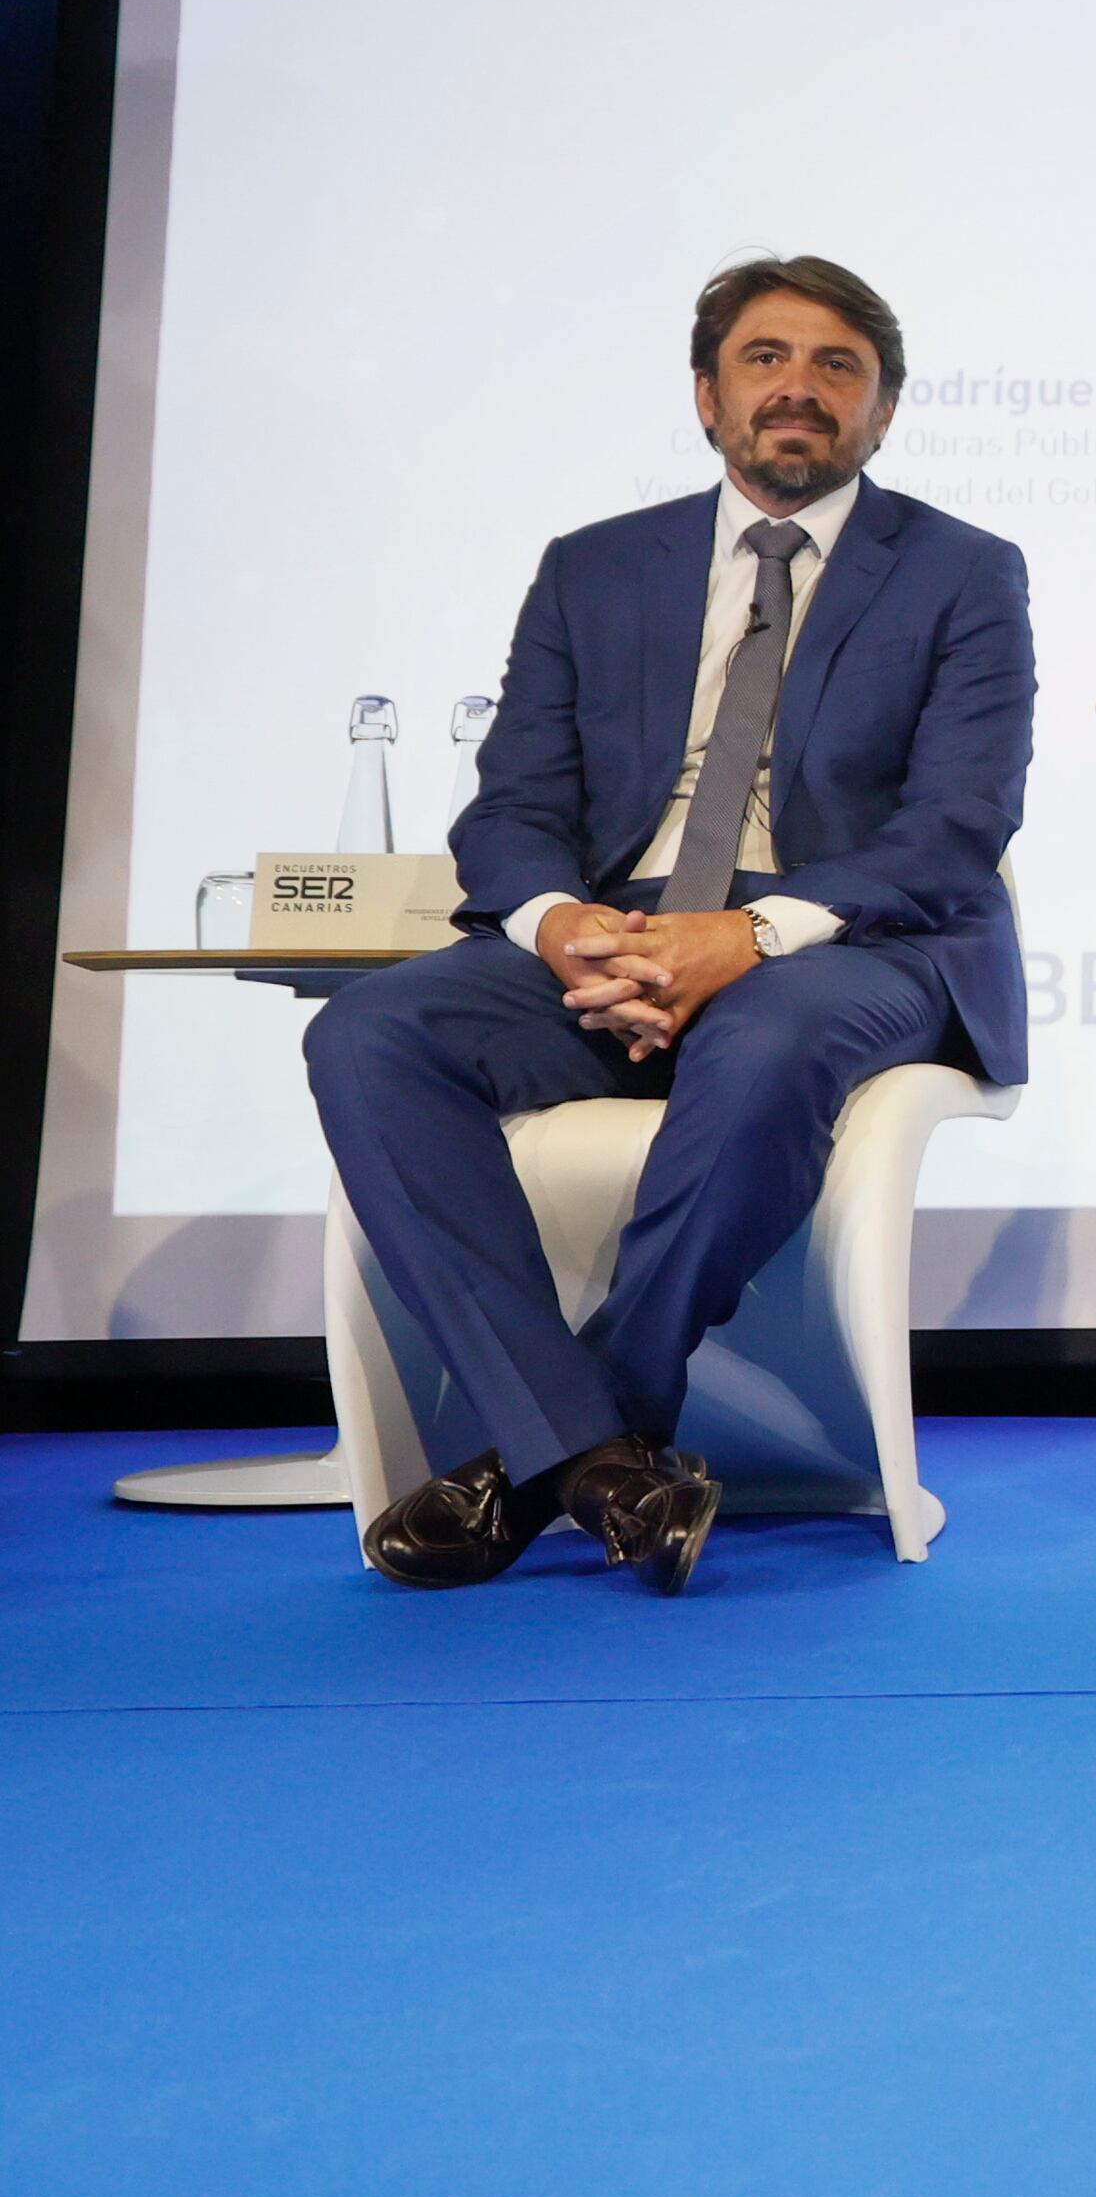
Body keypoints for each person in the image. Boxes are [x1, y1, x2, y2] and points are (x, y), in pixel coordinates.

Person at [308, 258, 1033, 1594]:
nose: (799, 390)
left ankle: (558, 1442)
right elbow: (513, 805)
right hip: (618, 926)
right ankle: (606, 1465)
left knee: (763, 1045)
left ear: (881, 410)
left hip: (846, 939)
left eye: (837, 367)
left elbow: (957, 827)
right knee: (369, 1033)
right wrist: (560, 923)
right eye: (765, 360)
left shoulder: (961, 574)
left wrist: (747, 939)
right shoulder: (594, 571)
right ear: (708, 395)